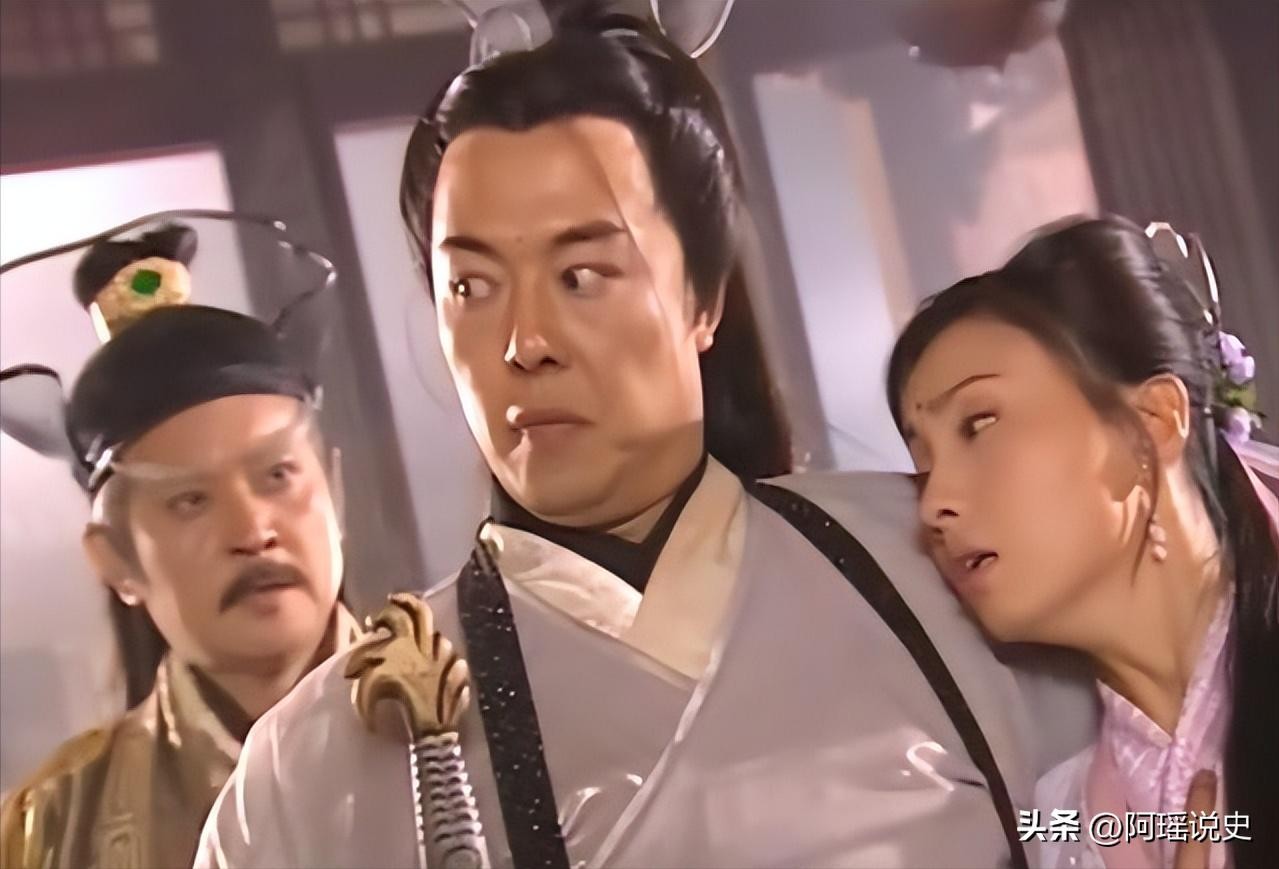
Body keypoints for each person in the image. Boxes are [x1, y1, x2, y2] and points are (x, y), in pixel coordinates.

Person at [197, 12, 1088, 868]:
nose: (524, 343)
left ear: (704, 297)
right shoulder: (316, 766)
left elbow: (1140, 816)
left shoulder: (944, 569)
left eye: (581, 274)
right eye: (470, 286)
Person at [887, 215, 1278, 867]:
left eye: (978, 424)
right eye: (922, 464)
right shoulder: (1061, 829)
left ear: (1150, 423)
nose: (933, 504)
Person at [0, 221, 362, 869]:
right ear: (116, 558)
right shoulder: (53, 829)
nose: (252, 530)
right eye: (190, 500)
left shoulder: (485, 714)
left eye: (278, 475)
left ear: (333, 489)